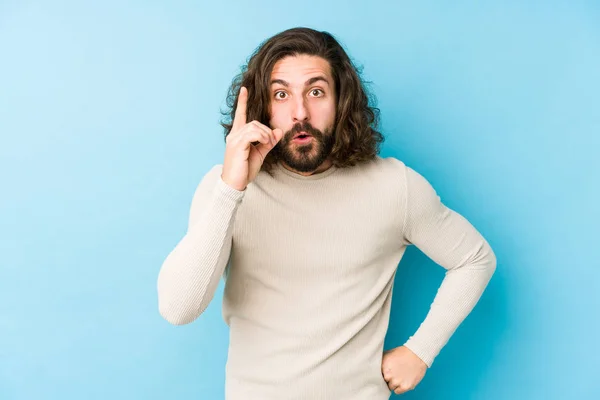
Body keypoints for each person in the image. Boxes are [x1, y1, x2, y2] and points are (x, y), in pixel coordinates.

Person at [156, 27, 497, 399]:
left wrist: (421, 350)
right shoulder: (224, 188)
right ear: (261, 108)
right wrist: (231, 189)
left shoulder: (394, 186)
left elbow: (475, 258)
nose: (300, 112)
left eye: (315, 92)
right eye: (281, 94)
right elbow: (178, 308)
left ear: (341, 101)